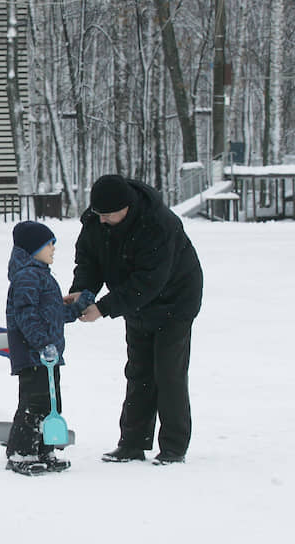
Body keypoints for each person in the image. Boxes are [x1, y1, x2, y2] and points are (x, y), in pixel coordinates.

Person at [66, 175, 203, 465]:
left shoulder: (158, 224)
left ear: (126, 207)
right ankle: (132, 443)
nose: (101, 220)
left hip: (175, 300)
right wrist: (83, 292)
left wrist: (103, 308)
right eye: (98, 214)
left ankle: (173, 447)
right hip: (136, 303)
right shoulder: (96, 221)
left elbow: (149, 281)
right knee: (138, 371)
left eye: (107, 214)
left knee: (168, 373)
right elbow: (89, 261)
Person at [4, 221, 94, 476]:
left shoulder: (42, 275)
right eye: (49, 244)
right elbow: (26, 315)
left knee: (51, 404)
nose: (54, 248)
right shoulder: (28, 277)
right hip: (33, 354)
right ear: (33, 248)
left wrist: (77, 307)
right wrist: (43, 344)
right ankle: (21, 452)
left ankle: (44, 450)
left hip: (48, 356)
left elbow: (53, 314)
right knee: (34, 403)